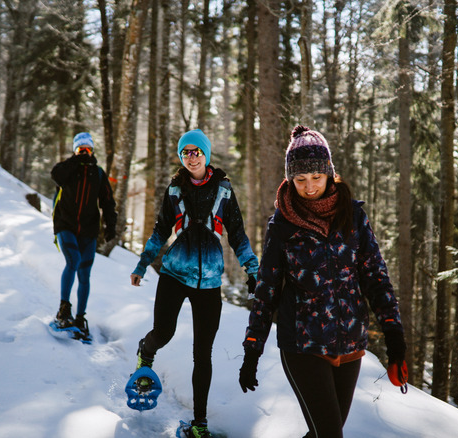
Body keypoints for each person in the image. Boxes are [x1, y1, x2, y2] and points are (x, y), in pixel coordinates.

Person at [238, 125, 407, 438]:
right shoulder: (283, 225)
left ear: (329, 173)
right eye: (300, 179)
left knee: (322, 433)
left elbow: (375, 276)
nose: (309, 186)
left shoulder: (353, 216)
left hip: (350, 345)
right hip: (303, 345)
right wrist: (252, 349)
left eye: (316, 177)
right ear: (290, 179)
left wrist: (394, 335)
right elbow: (266, 290)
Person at [131, 129, 259, 438]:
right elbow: (160, 230)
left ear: (206, 154)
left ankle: (199, 424)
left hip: (209, 283)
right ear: (181, 157)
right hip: (174, 275)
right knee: (164, 332)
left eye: (196, 151)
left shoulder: (224, 191)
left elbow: (237, 234)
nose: (191, 157)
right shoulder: (175, 189)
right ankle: (146, 352)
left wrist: (252, 269)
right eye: (185, 152)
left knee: (202, 354)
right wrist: (142, 264)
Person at [51, 132, 117, 337]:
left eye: (88, 149)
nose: (84, 153)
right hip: (65, 225)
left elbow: (108, 202)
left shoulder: (98, 173)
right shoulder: (68, 170)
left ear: (93, 151)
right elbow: (56, 175)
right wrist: (74, 161)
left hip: (88, 230)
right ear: (75, 150)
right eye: (81, 149)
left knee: (85, 273)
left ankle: (80, 317)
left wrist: (111, 226)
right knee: (73, 261)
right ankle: (64, 309)